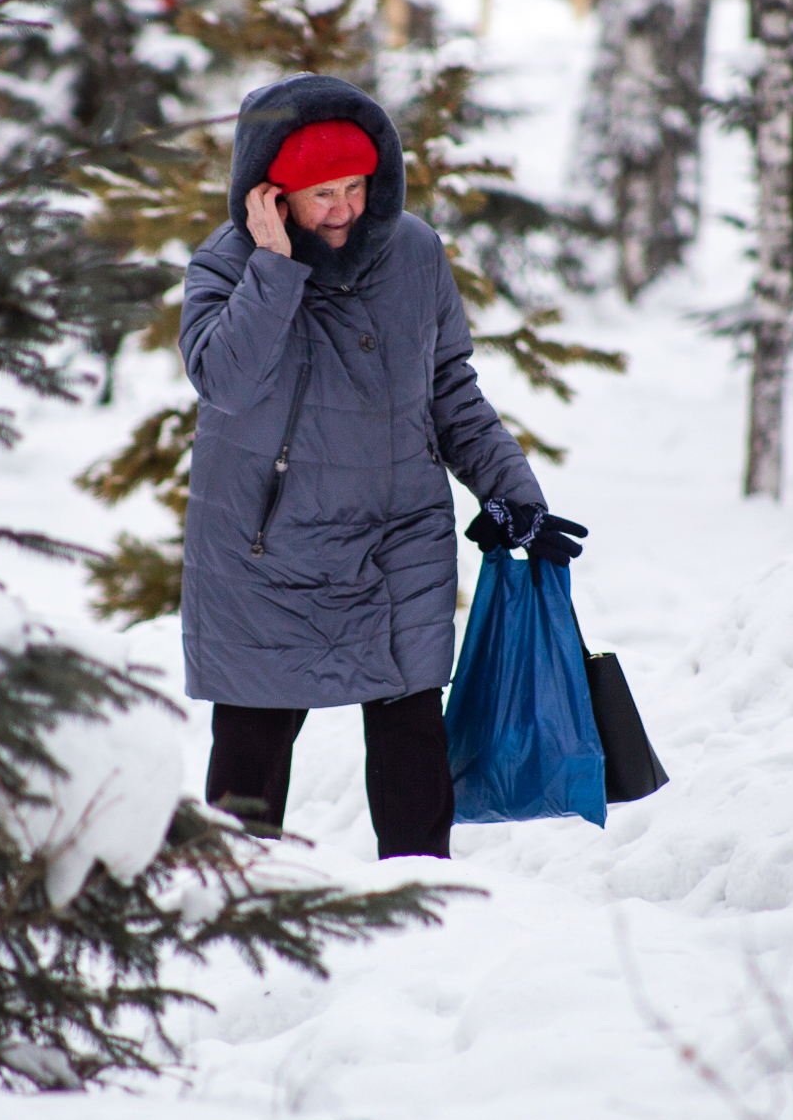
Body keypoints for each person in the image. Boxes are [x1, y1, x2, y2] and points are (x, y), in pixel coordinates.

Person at [178, 72, 586, 859]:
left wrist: (516, 497)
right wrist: (272, 266)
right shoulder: (226, 266)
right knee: (247, 780)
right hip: (265, 557)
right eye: (320, 193)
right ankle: (229, 921)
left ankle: (427, 925)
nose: (342, 210)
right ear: (272, 195)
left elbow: (451, 391)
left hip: (395, 543)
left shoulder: (415, 254)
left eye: (356, 187)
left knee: (411, 754)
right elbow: (223, 381)